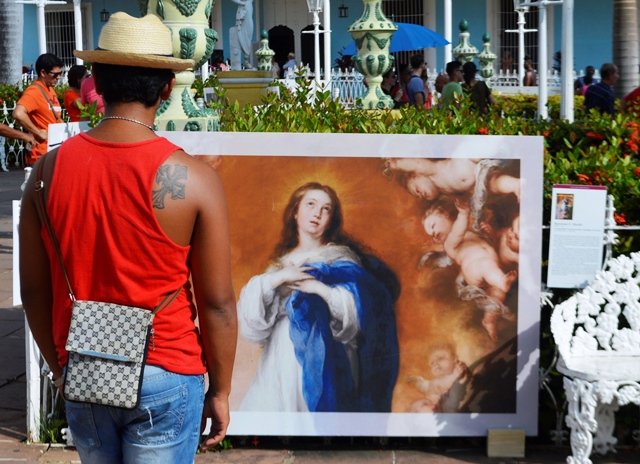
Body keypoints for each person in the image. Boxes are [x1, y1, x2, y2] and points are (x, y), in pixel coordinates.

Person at [19, 12, 237, 462]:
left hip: (86, 366)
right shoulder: (194, 179)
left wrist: (60, 365)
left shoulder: (46, 172)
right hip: (168, 367)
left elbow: (34, 290)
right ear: (166, 88)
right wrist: (221, 389)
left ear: (96, 81)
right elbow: (217, 303)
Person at [237, 182, 399, 413]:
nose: (317, 214)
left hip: (326, 353)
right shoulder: (280, 265)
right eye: (311, 205)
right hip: (280, 354)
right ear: (295, 212)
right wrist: (280, 277)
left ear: (331, 219)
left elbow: (360, 311)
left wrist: (319, 289)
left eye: (326, 209)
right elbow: (252, 324)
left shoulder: (341, 260)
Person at [422, 199, 517, 341]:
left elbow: (487, 240)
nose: (434, 234)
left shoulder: (470, 231)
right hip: (474, 267)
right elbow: (458, 229)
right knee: (488, 268)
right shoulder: (450, 242)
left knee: (496, 294)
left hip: (489, 267)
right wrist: (463, 213)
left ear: (446, 216)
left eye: (433, 226)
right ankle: (502, 281)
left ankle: (489, 320)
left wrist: (490, 233)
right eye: (431, 235)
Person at [12, 53, 64, 166]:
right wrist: (38, 132)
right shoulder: (34, 91)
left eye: (60, 73)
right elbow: (18, 114)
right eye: (55, 74)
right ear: (43, 73)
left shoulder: (50, 89)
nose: (59, 77)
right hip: (40, 155)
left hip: (54, 151)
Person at [406, 342, 470, 413]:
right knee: (415, 408)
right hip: (432, 406)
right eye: (432, 363)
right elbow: (429, 386)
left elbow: (453, 384)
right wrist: (420, 382)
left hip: (444, 408)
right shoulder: (437, 380)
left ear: (454, 359)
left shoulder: (458, 370)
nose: (435, 364)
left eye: (440, 358)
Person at [230, 0, 254, 70]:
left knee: (249, 35)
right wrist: (241, 3)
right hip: (243, 12)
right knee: (242, 35)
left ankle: (246, 59)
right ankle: (245, 60)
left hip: (248, 16)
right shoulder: (244, 3)